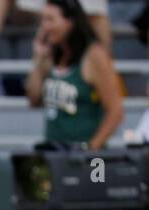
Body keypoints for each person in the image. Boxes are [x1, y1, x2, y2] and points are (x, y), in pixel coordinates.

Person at [26, 0, 124, 149]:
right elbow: (33, 100)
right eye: (43, 20)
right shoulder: (51, 56)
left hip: (82, 157)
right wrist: (38, 59)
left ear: (69, 22)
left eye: (50, 19)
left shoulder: (94, 56)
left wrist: (91, 148)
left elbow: (115, 111)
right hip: (53, 152)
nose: (45, 27)